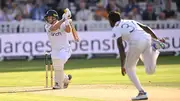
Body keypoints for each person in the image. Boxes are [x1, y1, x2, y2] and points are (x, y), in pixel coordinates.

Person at [108, 11, 165, 100]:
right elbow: (146, 28)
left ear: (111, 21)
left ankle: (141, 92)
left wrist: (123, 65)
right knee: (150, 70)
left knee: (128, 68)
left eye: (109, 21)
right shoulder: (131, 21)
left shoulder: (115, 28)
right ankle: (154, 47)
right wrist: (156, 38)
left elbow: (121, 48)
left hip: (136, 42)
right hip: (147, 38)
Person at [44, 9, 73, 89]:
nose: (48, 19)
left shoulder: (62, 24)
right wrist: (63, 19)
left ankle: (58, 84)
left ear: (54, 18)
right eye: (48, 17)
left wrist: (66, 21)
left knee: (59, 61)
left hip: (65, 49)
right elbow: (53, 28)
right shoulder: (47, 26)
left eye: (50, 17)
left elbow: (68, 30)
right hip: (55, 50)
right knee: (57, 67)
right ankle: (66, 79)